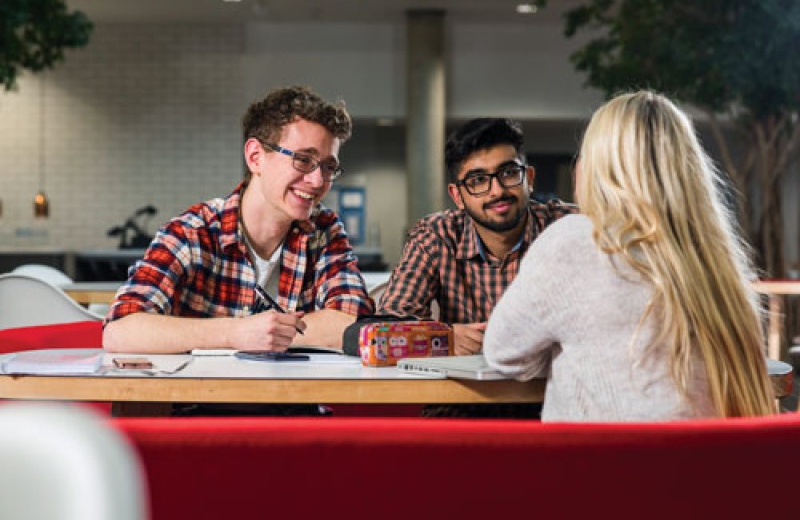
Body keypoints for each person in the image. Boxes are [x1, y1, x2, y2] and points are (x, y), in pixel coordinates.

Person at [484, 91, 775, 421]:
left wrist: (563, 344)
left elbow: (502, 353)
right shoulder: (717, 266)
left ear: (596, 168)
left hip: (601, 468)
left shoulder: (574, 241)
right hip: (709, 469)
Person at [103, 86, 373, 355]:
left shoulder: (324, 230)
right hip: (200, 396)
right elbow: (121, 331)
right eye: (303, 159)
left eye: (328, 166)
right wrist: (236, 333)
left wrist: (271, 333)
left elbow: (355, 326)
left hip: (293, 396)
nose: (317, 181)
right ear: (255, 157)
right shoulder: (193, 233)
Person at [378, 118, 577, 355]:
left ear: (529, 179)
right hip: (466, 389)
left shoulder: (572, 227)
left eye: (509, 173)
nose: (498, 191)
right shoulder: (436, 237)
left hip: (554, 384)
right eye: (478, 180)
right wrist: (444, 338)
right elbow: (385, 329)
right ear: (458, 196)